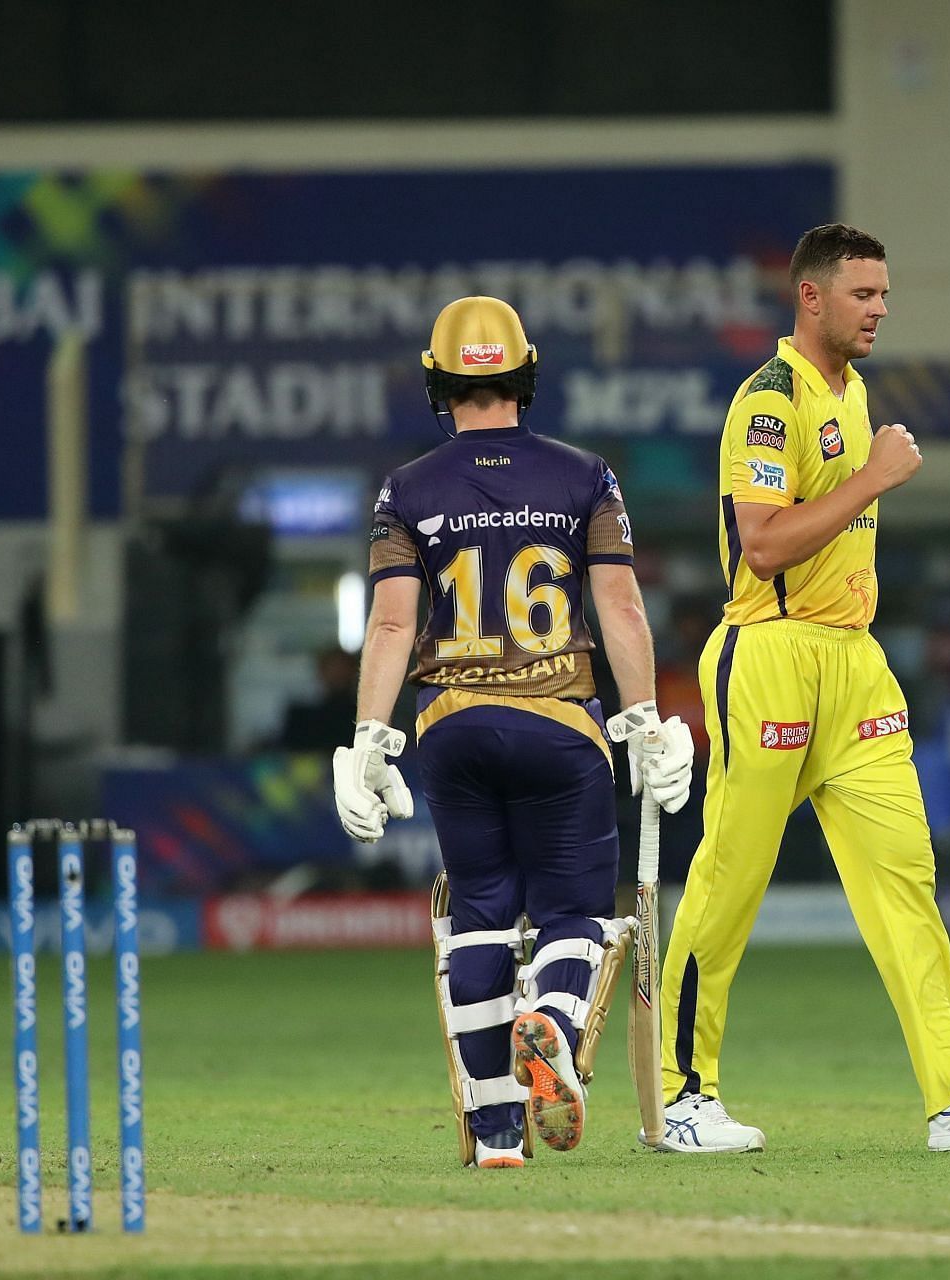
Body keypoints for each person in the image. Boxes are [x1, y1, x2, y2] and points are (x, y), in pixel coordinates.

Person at [657, 224, 950, 1154]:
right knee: (730, 878)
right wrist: (878, 475)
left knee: (904, 877)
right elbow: (761, 544)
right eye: (864, 295)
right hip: (768, 653)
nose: (881, 309)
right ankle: (683, 1097)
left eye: (885, 294)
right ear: (811, 297)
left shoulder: (852, 391)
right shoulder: (769, 402)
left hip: (854, 659)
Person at [335, 296, 694, 1168]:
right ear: (525, 374)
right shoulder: (585, 477)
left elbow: (389, 626)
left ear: (437, 381)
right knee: (572, 912)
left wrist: (368, 741)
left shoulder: (407, 490)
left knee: (481, 914)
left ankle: (496, 1132)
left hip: (451, 729)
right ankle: (556, 1019)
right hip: (559, 723)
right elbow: (619, 606)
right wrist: (644, 720)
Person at [278, 648, 360, 752]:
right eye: (332, 668)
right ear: (321, 671)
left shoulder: (362, 717)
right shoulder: (302, 718)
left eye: (343, 668)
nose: (338, 674)